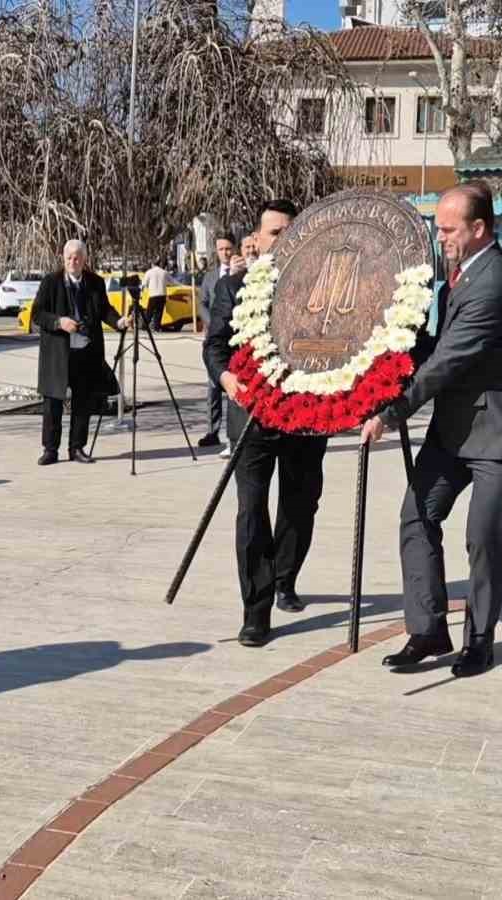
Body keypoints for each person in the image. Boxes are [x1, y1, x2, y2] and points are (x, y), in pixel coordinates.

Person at [361, 182, 502, 678]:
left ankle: (480, 641)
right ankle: (427, 629)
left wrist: (392, 410)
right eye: (438, 227)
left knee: (484, 537)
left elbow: (450, 360)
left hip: (500, 435)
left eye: (447, 229)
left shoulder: (494, 284)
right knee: (417, 516)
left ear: (478, 228)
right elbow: (435, 348)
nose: (439, 237)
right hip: (454, 430)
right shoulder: (458, 279)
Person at [206, 200, 327, 648]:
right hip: (251, 415)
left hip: (306, 415)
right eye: (275, 232)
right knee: (251, 510)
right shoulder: (235, 288)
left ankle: (284, 577)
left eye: (291, 231)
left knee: (301, 502)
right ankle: (255, 610)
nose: (284, 239)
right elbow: (215, 347)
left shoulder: (322, 287)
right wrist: (226, 378)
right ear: (257, 239)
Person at [32, 239, 129, 466]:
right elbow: (37, 314)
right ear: (63, 259)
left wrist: (120, 321)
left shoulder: (95, 282)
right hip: (58, 353)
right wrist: (59, 322)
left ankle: (77, 447)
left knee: (83, 402)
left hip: (86, 351)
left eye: (77, 258)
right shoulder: (51, 282)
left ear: (84, 260)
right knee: (53, 401)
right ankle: (50, 449)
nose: (73, 262)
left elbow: (105, 310)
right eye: (69, 258)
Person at [197, 234, 237, 450]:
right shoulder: (210, 277)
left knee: (233, 385)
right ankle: (212, 431)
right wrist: (213, 324)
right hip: (215, 339)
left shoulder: (240, 273)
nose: (225, 253)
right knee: (213, 387)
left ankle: (234, 434)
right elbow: (201, 303)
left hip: (236, 339)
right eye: (221, 249)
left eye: (229, 248)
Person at [143, 257, 169, 332]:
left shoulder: (149, 272)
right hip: (162, 294)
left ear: (152, 264)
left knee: (149, 311)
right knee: (159, 312)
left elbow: (144, 283)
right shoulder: (164, 272)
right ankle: (156, 327)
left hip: (153, 295)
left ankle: (145, 326)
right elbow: (172, 281)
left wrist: (147, 287)